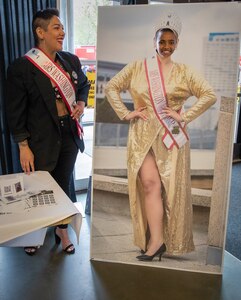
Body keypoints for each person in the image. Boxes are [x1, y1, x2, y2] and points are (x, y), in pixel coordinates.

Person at [105, 11, 216, 261]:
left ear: (177, 43)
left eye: (171, 42)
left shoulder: (185, 72)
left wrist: (184, 117)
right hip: (142, 135)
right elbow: (111, 87)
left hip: (171, 136)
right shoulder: (137, 67)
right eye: (162, 41)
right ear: (154, 40)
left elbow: (209, 94)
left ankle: (164, 240)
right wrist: (126, 113)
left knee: (171, 190)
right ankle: (156, 241)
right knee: (149, 185)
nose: (166, 47)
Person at [6, 8, 90, 255]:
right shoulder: (22, 67)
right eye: (56, 28)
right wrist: (23, 146)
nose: (62, 32)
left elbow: (83, 85)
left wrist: (81, 104)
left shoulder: (70, 60)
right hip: (39, 139)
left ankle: (61, 229)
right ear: (40, 32)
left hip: (69, 135)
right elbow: (15, 111)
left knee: (63, 184)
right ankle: (35, 231)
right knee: (37, 187)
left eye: (62, 27)